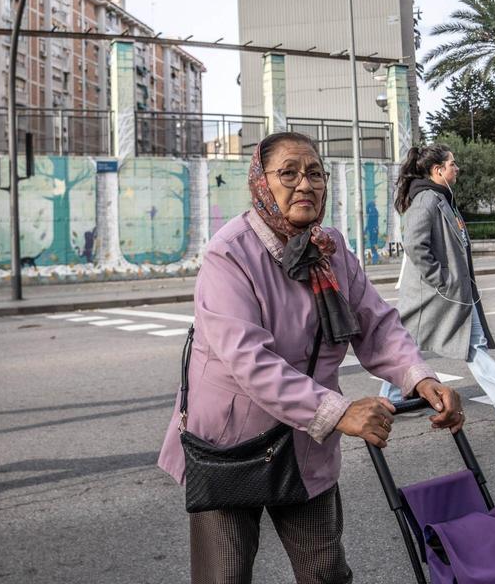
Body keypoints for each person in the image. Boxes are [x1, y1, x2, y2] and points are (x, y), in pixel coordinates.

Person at [158, 132, 464, 583]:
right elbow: (250, 361)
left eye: (315, 173)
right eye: (289, 173)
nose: (305, 184)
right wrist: (340, 412)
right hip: (230, 445)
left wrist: (419, 378)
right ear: (261, 183)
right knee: (223, 575)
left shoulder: (331, 248)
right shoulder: (230, 253)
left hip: (307, 445)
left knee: (326, 573)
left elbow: (376, 323)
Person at [385, 145, 495, 423]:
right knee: (460, 344)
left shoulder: (440, 198)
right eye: (452, 164)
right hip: (437, 294)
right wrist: (441, 279)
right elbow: (414, 244)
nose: (456, 169)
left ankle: (392, 398)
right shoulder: (427, 200)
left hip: (448, 293)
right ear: (438, 171)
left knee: (420, 345)